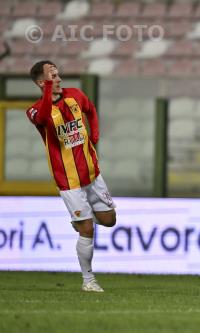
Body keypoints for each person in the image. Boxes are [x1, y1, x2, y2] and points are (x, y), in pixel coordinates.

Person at [26, 61, 117, 292]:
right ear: (41, 83)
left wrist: (94, 132)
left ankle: (80, 220)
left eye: (58, 74)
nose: (58, 79)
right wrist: (48, 90)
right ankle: (88, 281)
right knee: (88, 229)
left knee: (109, 220)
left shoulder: (75, 95)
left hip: (93, 174)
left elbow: (90, 109)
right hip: (69, 182)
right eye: (52, 76)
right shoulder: (35, 110)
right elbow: (45, 115)